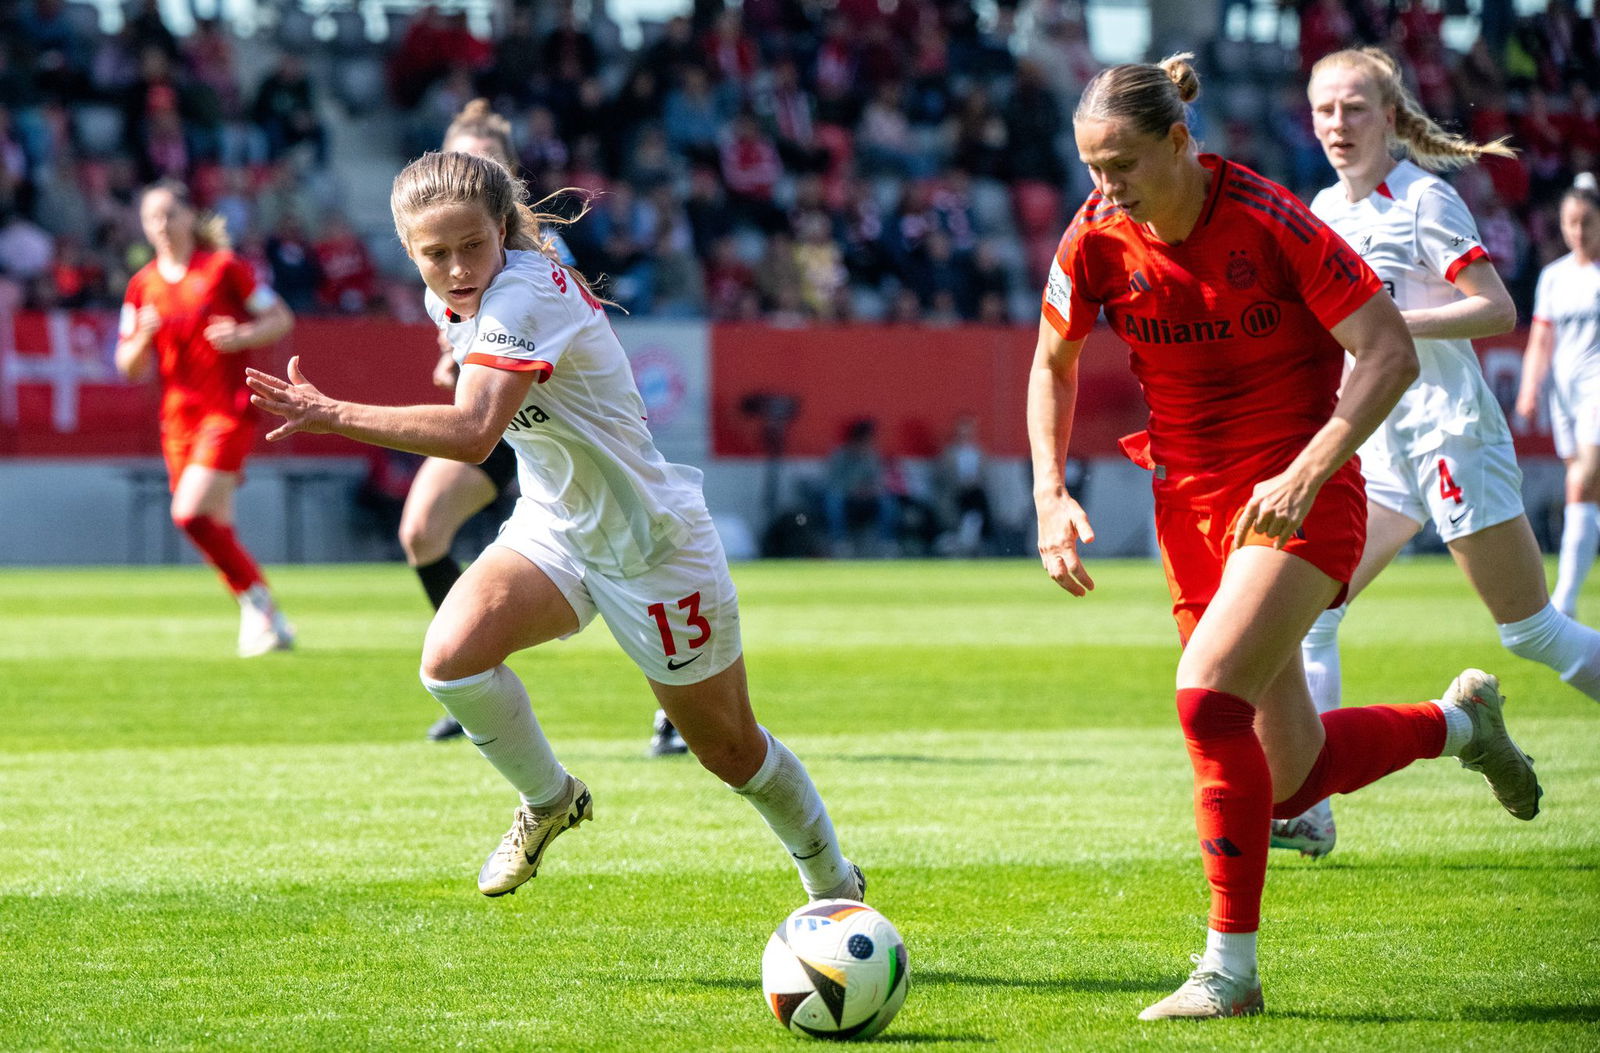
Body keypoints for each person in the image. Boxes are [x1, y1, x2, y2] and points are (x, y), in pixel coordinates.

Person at [1028, 55, 1541, 1021]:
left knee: (1206, 699)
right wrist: (1050, 493)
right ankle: (1460, 724)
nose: (1106, 189)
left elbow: (1387, 348)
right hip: (1188, 509)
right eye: (1092, 168)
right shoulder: (1096, 234)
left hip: (1304, 499)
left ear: (1180, 143)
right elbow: (1051, 360)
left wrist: (1310, 469)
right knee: (1291, 774)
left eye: (1123, 165)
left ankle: (1230, 971)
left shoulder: (1270, 219)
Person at [244, 150, 864, 905]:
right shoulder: (456, 301)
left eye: (473, 245)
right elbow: (472, 371)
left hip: (650, 544)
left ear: (502, 228)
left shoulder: (524, 295)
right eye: (435, 254)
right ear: (409, 252)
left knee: (730, 750)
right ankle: (548, 798)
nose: (458, 267)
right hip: (555, 527)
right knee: (449, 660)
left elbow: (475, 431)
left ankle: (832, 878)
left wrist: (336, 414)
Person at [1278, 50, 1600, 861]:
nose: (1337, 126)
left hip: (1450, 430)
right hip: (1379, 441)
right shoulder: (1320, 207)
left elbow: (1496, 307)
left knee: (1532, 632)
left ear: (1391, 117)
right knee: (1314, 613)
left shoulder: (1424, 199)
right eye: (1324, 111)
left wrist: (1389, 328)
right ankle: (1310, 807)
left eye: (1355, 109)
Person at [402, 98, 687, 756]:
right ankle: (474, 673)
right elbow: (465, 345)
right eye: (455, 160)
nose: (464, 173)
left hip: (544, 416)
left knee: (619, 552)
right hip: (501, 423)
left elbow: (545, 333)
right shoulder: (442, 263)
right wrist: (458, 366)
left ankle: (674, 699)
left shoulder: (533, 254)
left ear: (501, 176)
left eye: (480, 161)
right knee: (421, 531)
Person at [115, 179, 296, 657]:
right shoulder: (142, 286)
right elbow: (127, 366)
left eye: (169, 214)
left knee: (189, 514)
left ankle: (259, 602)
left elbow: (280, 319)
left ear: (190, 217)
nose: (160, 225)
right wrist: (141, 340)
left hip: (227, 410)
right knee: (214, 525)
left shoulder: (223, 268)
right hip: (177, 419)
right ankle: (262, 617)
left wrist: (241, 335)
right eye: (151, 217)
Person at [1516, 176, 1600, 622]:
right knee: (1587, 491)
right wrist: (1530, 386)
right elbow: (1541, 339)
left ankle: (1564, 601)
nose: (1578, 231)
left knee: (1579, 483)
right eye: (1570, 222)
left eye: (1586, 222)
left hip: (1596, 391)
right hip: (1563, 398)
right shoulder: (1554, 276)